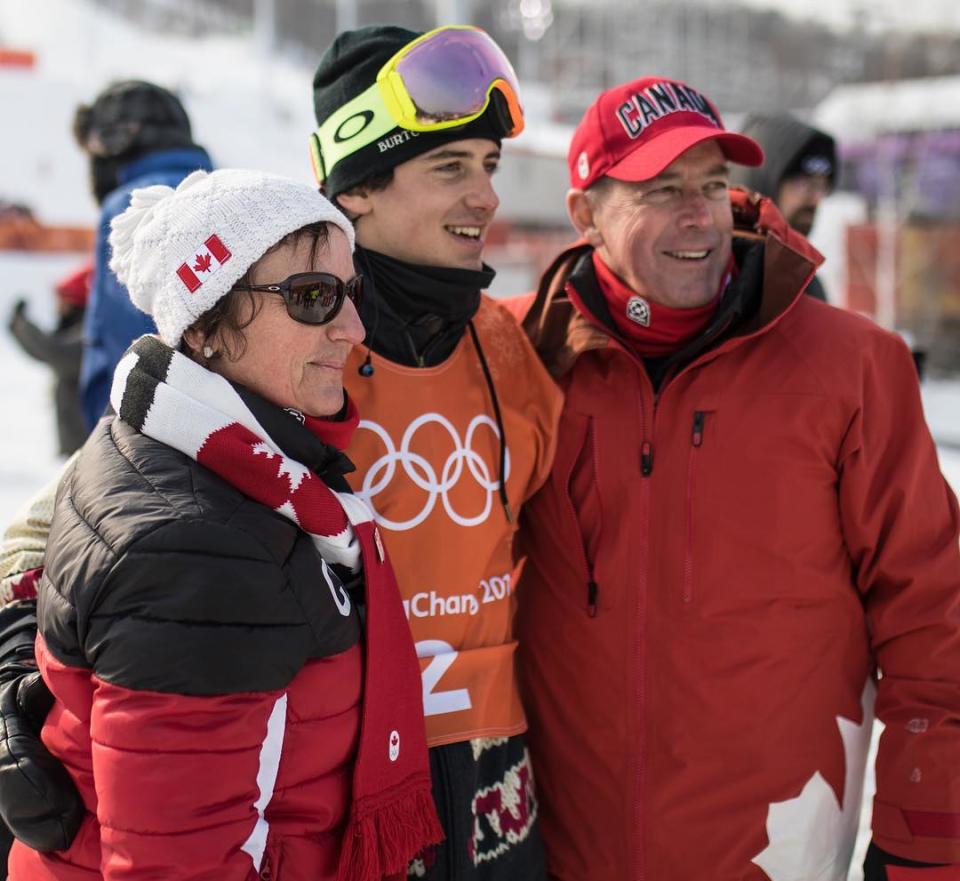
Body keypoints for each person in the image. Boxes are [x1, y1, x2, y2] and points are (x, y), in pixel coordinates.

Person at [0, 25, 561, 881]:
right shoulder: (287, 351)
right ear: (357, 190)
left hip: (490, 779)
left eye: (489, 165)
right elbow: (84, 515)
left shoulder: (512, 341)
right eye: (451, 168)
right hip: (340, 784)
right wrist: (13, 657)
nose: (485, 194)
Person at [513, 76, 960, 881]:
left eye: (713, 185)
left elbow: (937, 618)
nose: (699, 214)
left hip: (773, 859)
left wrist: (926, 837)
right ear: (585, 214)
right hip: (559, 858)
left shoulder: (855, 368)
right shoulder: (518, 357)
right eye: (662, 189)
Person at [5, 168, 441, 880]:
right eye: (311, 296)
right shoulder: (199, 547)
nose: (355, 328)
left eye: (350, 290)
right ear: (204, 326)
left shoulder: (185, 446)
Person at [72, 79, 213, 428]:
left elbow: (124, 336)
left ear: (111, 144)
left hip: (143, 432)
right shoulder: (224, 192)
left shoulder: (125, 207)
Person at [729, 112, 835, 300]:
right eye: (804, 185)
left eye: (821, 186)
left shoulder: (804, 283)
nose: (815, 199)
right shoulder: (721, 279)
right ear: (761, 182)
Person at [7, 260, 93, 455]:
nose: (57, 305)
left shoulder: (89, 334)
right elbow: (45, 352)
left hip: (86, 439)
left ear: (75, 300)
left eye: (62, 298)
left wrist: (22, 325)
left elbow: (56, 352)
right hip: (79, 439)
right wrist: (18, 327)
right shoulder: (75, 328)